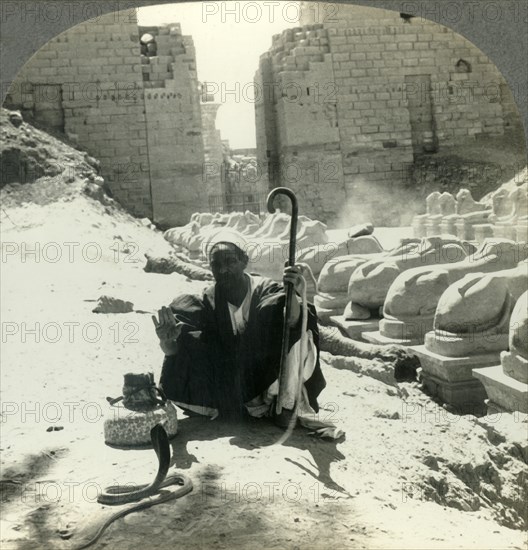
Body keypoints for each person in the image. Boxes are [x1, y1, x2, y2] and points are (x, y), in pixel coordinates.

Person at [152, 230, 326, 425]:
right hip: (232, 383)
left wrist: (292, 295)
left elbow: (293, 324)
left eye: (230, 261)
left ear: (245, 261)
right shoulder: (206, 302)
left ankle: (285, 406)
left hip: (270, 378)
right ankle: (241, 407)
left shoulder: (266, 290)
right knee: (186, 336)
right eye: (216, 264)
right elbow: (180, 350)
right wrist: (168, 342)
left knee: (301, 327)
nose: (223, 269)